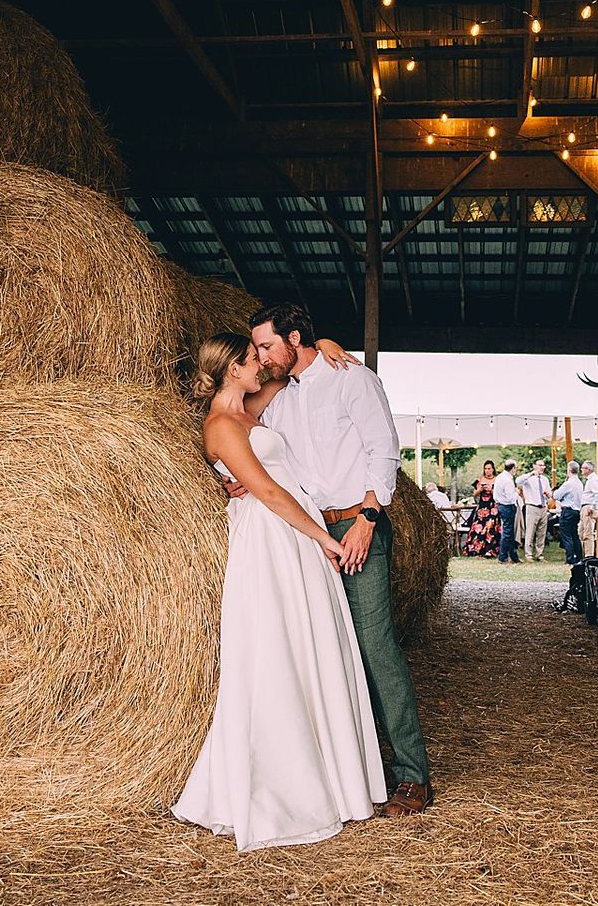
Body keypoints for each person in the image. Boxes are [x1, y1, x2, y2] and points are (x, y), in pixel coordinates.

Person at [174, 332, 385, 850]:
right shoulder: (221, 425)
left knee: (312, 644)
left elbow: (292, 369)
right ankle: (284, 785)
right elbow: (265, 490)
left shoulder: (250, 406)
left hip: (293, 531)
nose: (259, 363)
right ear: (231, 370)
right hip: (271, 538)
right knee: (277, 649)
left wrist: (324, 343)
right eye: (251, 359)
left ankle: (333, 776)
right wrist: (323, 539)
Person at [239, 302, 434, 816]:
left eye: (266, 345)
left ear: (295, 338)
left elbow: (382, 449)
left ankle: (413, 776)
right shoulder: (281, 399)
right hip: (309, 533)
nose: (261, 356)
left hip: (356, 524)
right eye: (256, 348)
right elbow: (252, 431)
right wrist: (243, 477)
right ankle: (354, 773)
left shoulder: (352, 378)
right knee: (331, 650)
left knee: (375, 647)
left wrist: (368, 521)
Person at [518, 459, 552, 562]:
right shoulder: (528, 479)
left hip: (543, 506)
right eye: (540, 465)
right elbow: (518, 481)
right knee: (530, 531)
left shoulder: (545, 479)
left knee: (541, 532)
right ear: (534, 466)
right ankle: (528, 553)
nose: (542, 467)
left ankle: (539, 553)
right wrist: (530, 474)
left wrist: (548, 495)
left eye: (543, 465)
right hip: (532, 506)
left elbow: (549, 494)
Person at [464, 461, 500, 557]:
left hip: (492, 506)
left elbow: (499, 494)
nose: (487, 471)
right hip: (482, 506)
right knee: (478, 526)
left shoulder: (497, 480)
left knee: (490, 525)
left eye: (489, 468)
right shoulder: (479, 479)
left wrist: (491, 490)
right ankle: (476, 548)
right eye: (486, 469)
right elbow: (474, 494)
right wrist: (480, 489)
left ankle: (490, 549)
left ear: (493, 469)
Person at [553, 464, 586, 565]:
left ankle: (570, 558)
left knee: (567, 535)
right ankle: (579, 556)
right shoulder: (580, 483)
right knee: (574, 534)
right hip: (576, 511)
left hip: (567, 510)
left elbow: (556, 495)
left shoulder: (568, 483)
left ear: (569, 470)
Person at [493, 459, 521, 564]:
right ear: (513, 468)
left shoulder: (499, 477)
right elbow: (510, 498)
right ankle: (502, 557)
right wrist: (516, 492)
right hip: (507, 506)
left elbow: (495, 495)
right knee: (507, 532)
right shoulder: (508, 480)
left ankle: (514, 556)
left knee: (509, 532)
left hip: (501, 505)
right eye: (515, 468)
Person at [578, 460, 598, 554]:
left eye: (583, 468)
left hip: (589, 508)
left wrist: (593, 507)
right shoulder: (590, 480)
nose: (581, 470)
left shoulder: (593, 480)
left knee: (588, 534)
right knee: (581, 532)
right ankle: (583, 554)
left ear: (588, 469)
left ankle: (588, 555)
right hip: (585, 507)